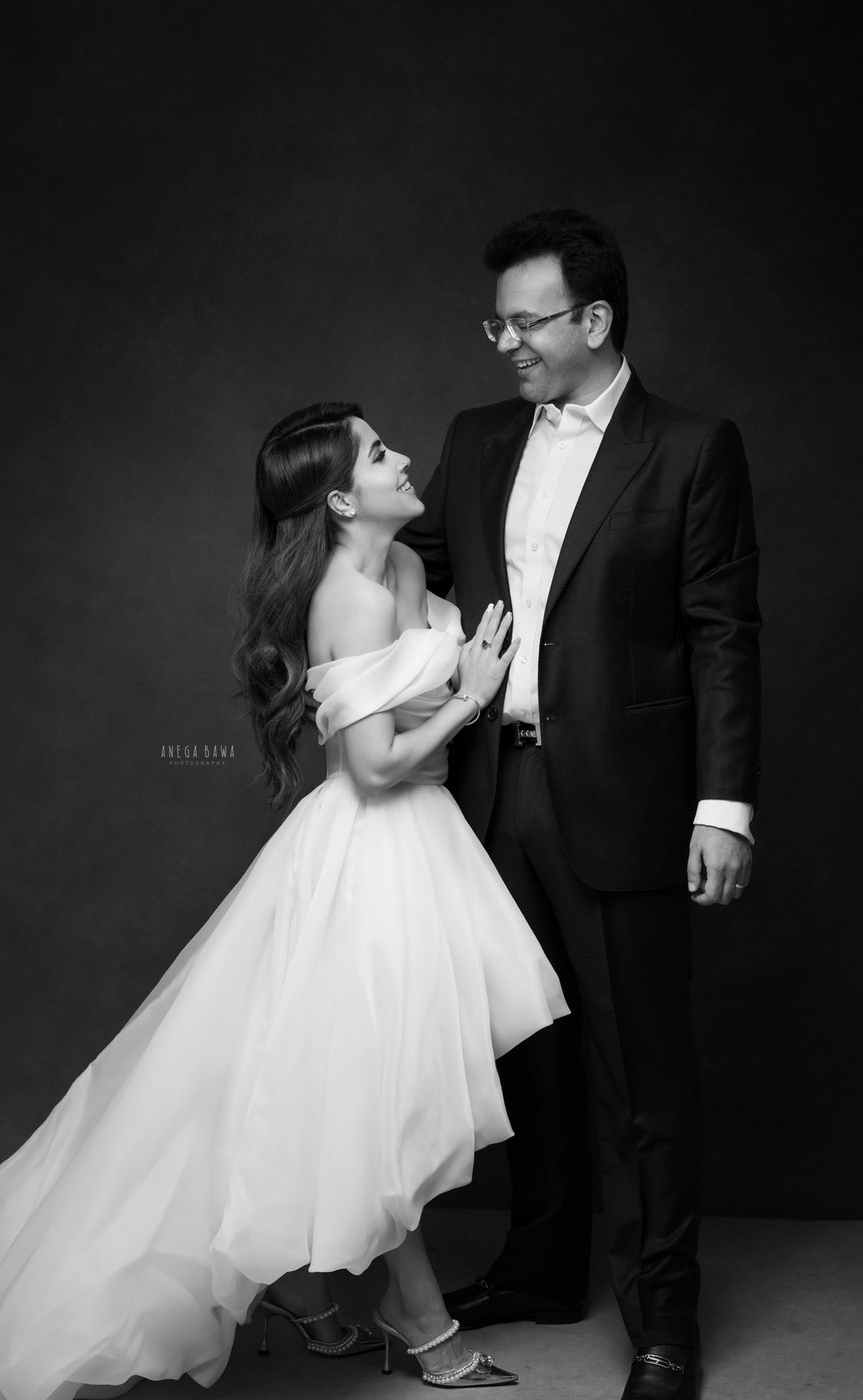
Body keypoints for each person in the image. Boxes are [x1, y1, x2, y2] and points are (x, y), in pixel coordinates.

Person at [0, 401, 570, 1400]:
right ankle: (419, 1319)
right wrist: (471, 694)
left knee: (356, 1090)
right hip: (370, 849)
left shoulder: (403, 568)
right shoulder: (345, 600)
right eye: (380, 450)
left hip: (428, 846)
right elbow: (372, 765)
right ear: (347, 496)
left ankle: (315, 1302)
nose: (406, 457)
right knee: (366, 1093)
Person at [400, 210, 761, 1400]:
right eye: (495, 319)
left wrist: (723, 805)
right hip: (489, 792)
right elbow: (417, 584)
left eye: (525, 319)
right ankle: (542, 1265)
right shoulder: (476, 435)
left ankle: (663, 1320)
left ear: (594, 321)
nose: (503, 338)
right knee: (529, 1056)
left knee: (642, 1072)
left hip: (627, 802)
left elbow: (722, 638)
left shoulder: (692, 448)